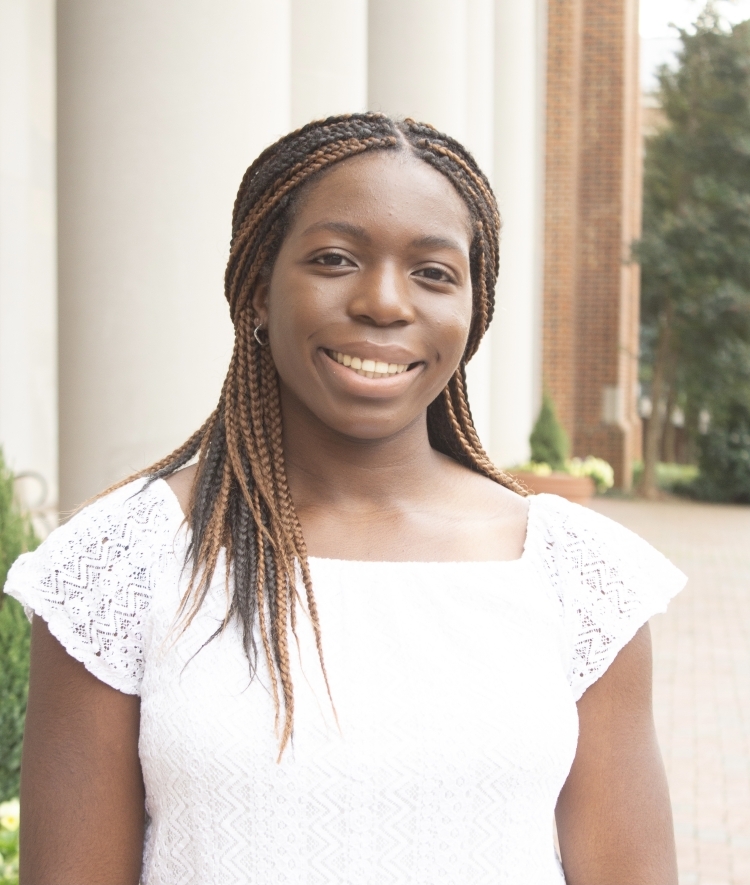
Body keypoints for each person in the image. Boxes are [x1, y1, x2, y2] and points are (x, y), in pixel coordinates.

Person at [7, 113, 685, 885]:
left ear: (474, 311)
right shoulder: (121, 564)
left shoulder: (575, 575)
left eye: (433, 272)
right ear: (256, 290)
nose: (385, 302)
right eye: (335, 259)